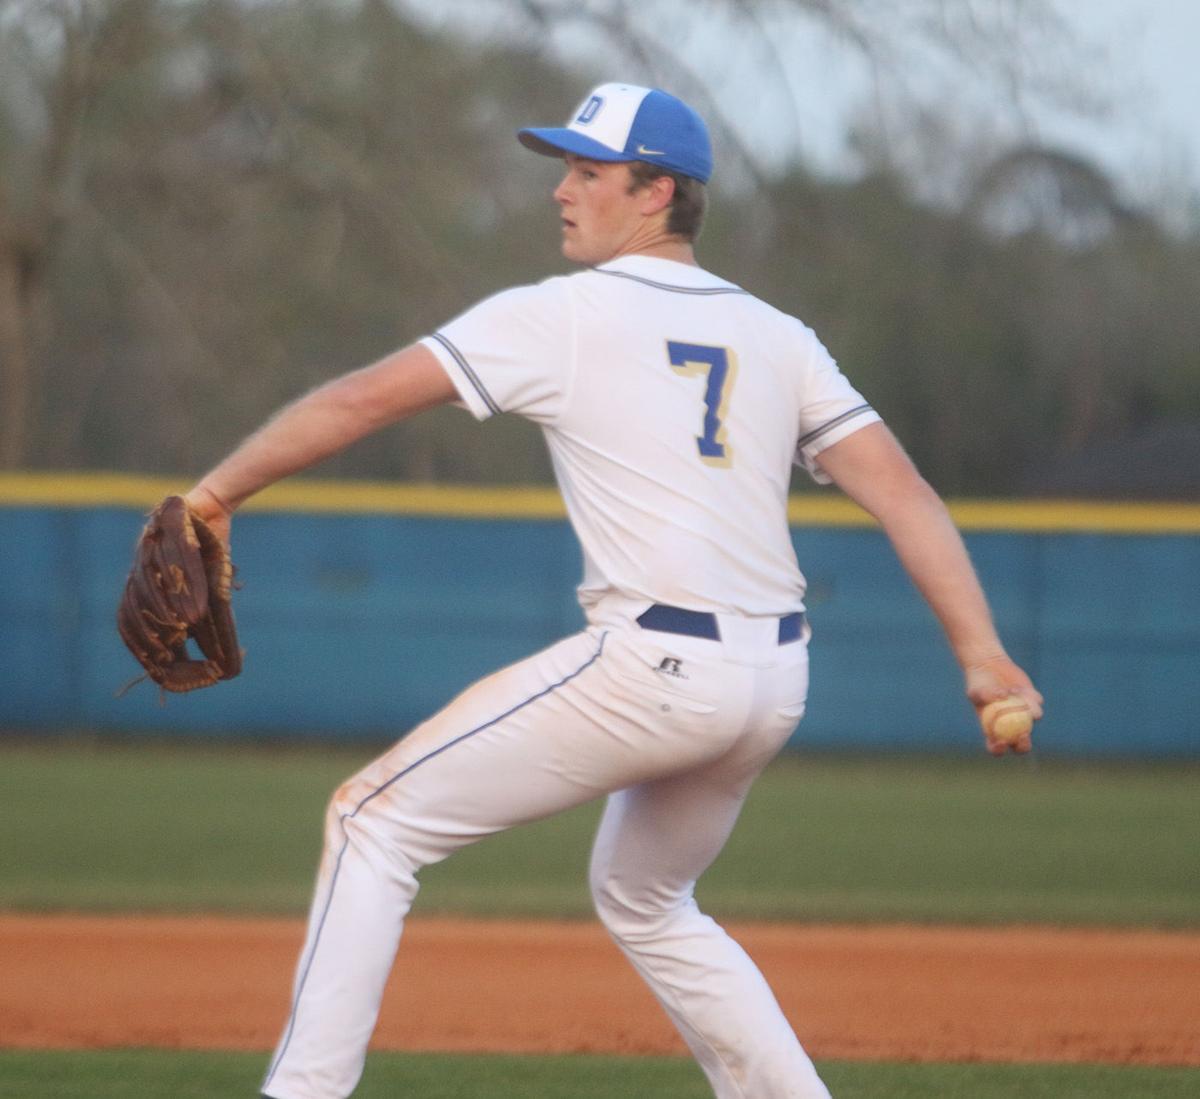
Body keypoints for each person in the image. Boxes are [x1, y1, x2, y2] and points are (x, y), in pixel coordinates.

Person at [183, 82, 1043, 1099]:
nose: (561, 191)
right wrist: (982, 656)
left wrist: (215, 492)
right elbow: (904, 494)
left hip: (654, 665)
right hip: (772, 681)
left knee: (373, 819)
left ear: (657, 193)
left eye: (588, 171)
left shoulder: (563, 316)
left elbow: (364, 397)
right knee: (646, 897)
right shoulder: (779, 334)